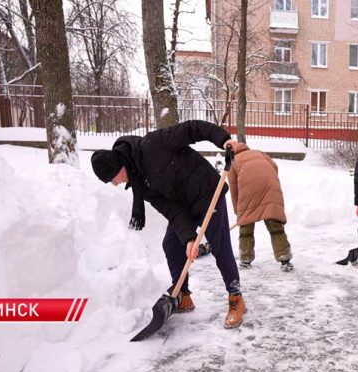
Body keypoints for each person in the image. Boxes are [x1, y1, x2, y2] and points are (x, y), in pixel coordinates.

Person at [90, 120, 248, 329]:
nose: (115, 183)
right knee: (172, 243)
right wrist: (189, 239)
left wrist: (223, 139)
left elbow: (192, 129)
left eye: (113, 178)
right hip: (185, 207)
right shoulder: (141, 185)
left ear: (119, 166)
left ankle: (235, 297)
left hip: (207, 194)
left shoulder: (153, 144)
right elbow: (171, 210)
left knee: (220, 246)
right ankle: (183, 295)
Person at [228, 143, 293, 272]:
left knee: (246, 224)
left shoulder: (233, 161)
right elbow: (274, 166)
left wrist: (239, 212)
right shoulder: (258, 152)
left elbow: (234, 189)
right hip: (270, 186)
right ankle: (284, 258)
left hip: (248, 189)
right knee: (274, 223)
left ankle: (245, 259)